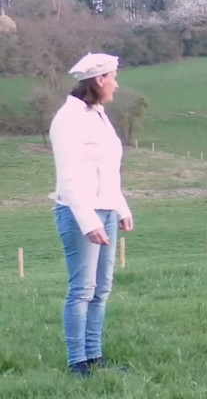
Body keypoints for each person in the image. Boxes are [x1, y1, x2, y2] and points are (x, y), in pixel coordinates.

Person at [50, 53, 134, 377]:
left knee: (102, 288)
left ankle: (94, 355)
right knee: (83, 289)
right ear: (99, 79)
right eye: (113, 76)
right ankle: (77, 362)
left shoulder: (98, 113)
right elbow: (70, 179)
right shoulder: (68, 119)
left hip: (107, 208)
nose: (116, 83)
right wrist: (89, 221)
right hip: (78, 212)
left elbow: (107, 169)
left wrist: (121, 207)